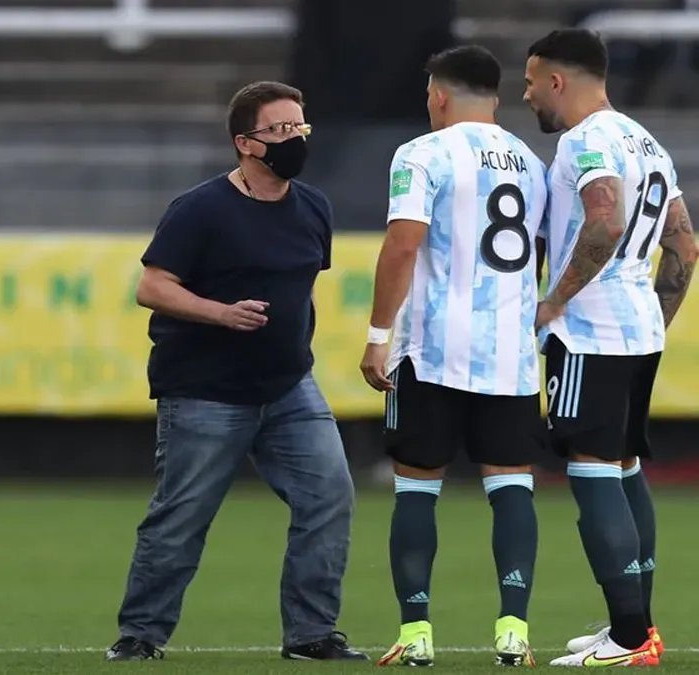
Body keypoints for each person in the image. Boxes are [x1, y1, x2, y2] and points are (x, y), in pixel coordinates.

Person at [104, 81, 366, 663]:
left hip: (290, 385)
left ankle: (311, 634)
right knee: (182, 516)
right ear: (245, 143)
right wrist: (220, 313)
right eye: (280, 130)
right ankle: (140, 635)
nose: (295, 139)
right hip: (205, 391)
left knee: (329, 498)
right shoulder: (200, 209)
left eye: (300, 127)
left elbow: (302, 290)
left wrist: (294, 347)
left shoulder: (314, 206)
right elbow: (152, 286)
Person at [360, 45, 548, 669]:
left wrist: (377, 334)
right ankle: (514, 630)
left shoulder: (422, 152)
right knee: (512, 487)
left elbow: (402, 245)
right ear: (495, 96)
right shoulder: (530, 161)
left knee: (417, 488)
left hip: (435, 350)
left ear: (438, 95)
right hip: (510, 356)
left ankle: (416, 634)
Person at [524, 28, 696, 667]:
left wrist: (554, 300)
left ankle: (628, 637)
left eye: (531, 82)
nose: (527, 94)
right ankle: (639, 627)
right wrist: (654, 317)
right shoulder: (644, 140)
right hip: (637, 327)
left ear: (557, 81)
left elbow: (604, 219)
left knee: (593, 469)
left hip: (589, 328)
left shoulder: (586, 140)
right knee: (624, 468)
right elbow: (685, 247)